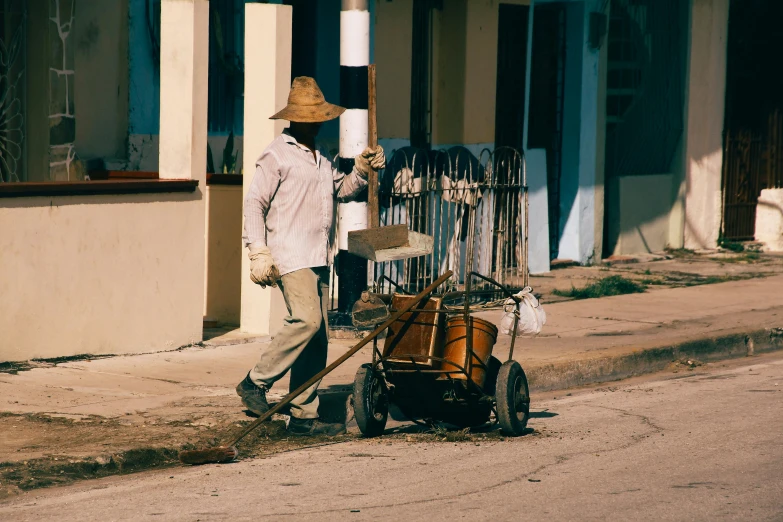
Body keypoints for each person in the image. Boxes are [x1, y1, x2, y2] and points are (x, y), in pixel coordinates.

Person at [237, 76, 385, 436]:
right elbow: (254, 202)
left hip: (319, 254)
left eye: (318, 117)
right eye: (309, 117)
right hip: (290, 255)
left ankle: (303, 416)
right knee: (306, 321)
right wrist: (257, 250)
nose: (315, 122)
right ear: (295, 120)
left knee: (317, 337)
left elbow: (342, 189)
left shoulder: (320, 159)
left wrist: (363, 168)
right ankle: (254, 382)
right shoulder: (277, 154)